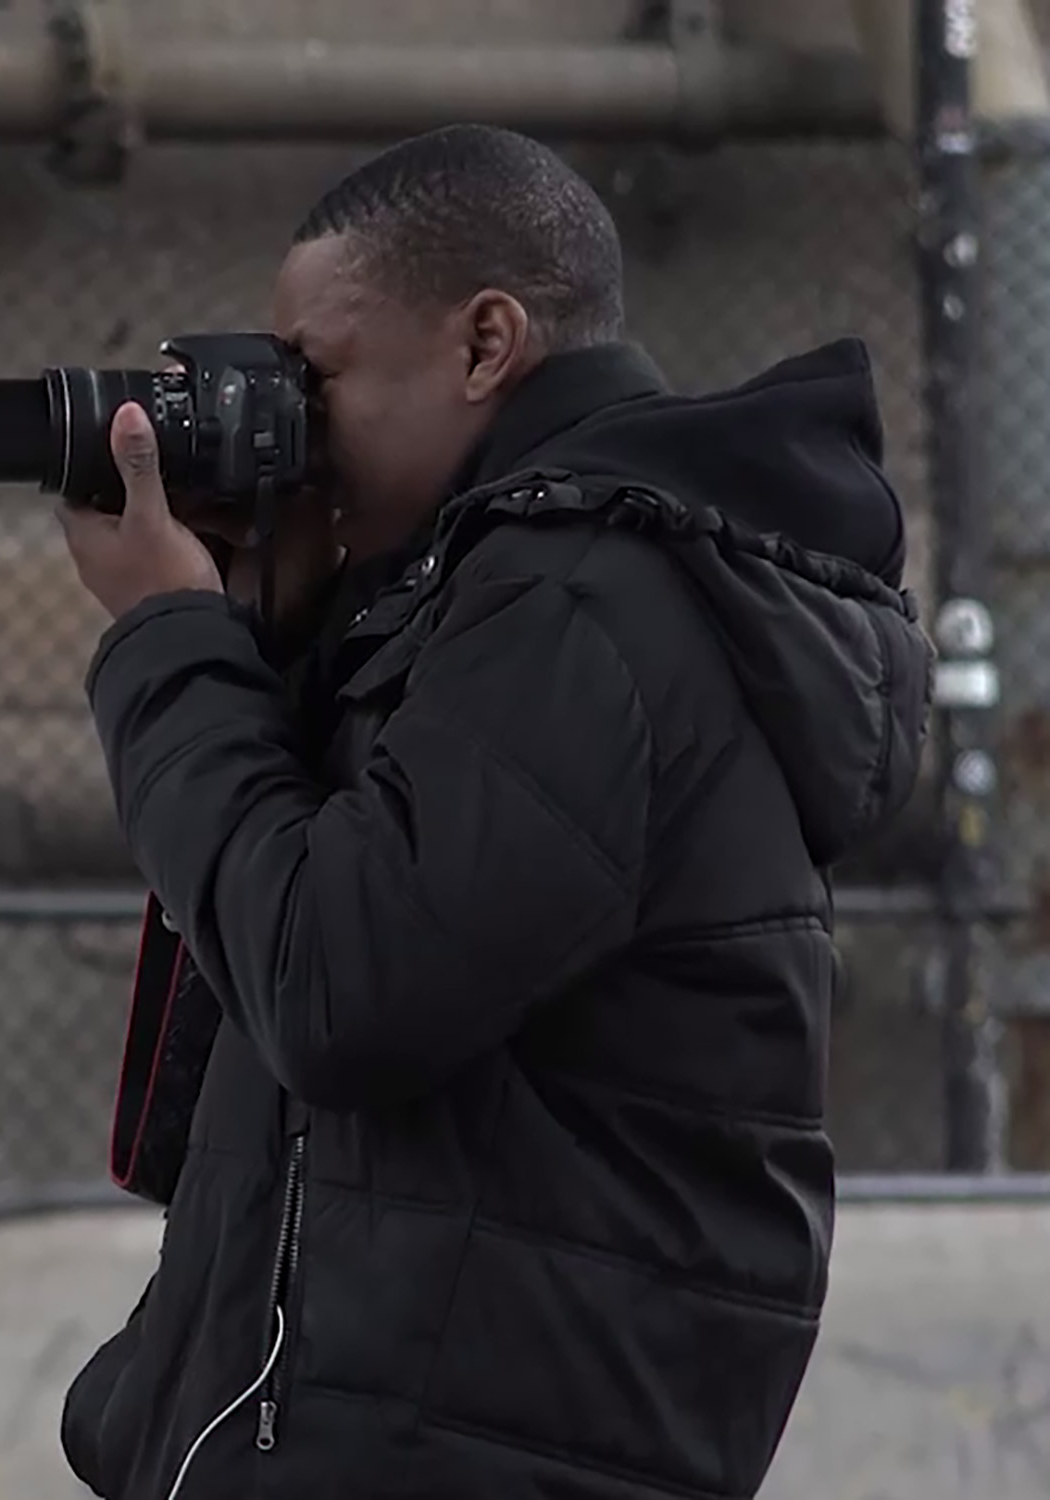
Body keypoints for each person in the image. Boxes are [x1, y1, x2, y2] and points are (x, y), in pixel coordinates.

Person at [56, 125, 932, 1500]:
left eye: (319, 376)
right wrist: (269, 640)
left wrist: (169, 640)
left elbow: (341, 987)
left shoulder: (587, 598)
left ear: (484, 345)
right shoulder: (488, 593)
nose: (293, 423)